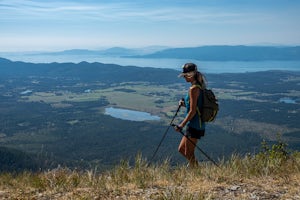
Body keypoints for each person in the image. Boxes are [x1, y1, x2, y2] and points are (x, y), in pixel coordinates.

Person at [174, 63, 206, 167]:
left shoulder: (193, 89)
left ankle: (197, 174)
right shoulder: (198, 85)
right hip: (196, 124)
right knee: (181, 149)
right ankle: (195, 169)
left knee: (188, 152)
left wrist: (181, 125)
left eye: (184, 76)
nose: (184, 78)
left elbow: (192, 111)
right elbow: (195, 106)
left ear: (190, 75)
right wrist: (184, 104)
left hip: (195, 125)